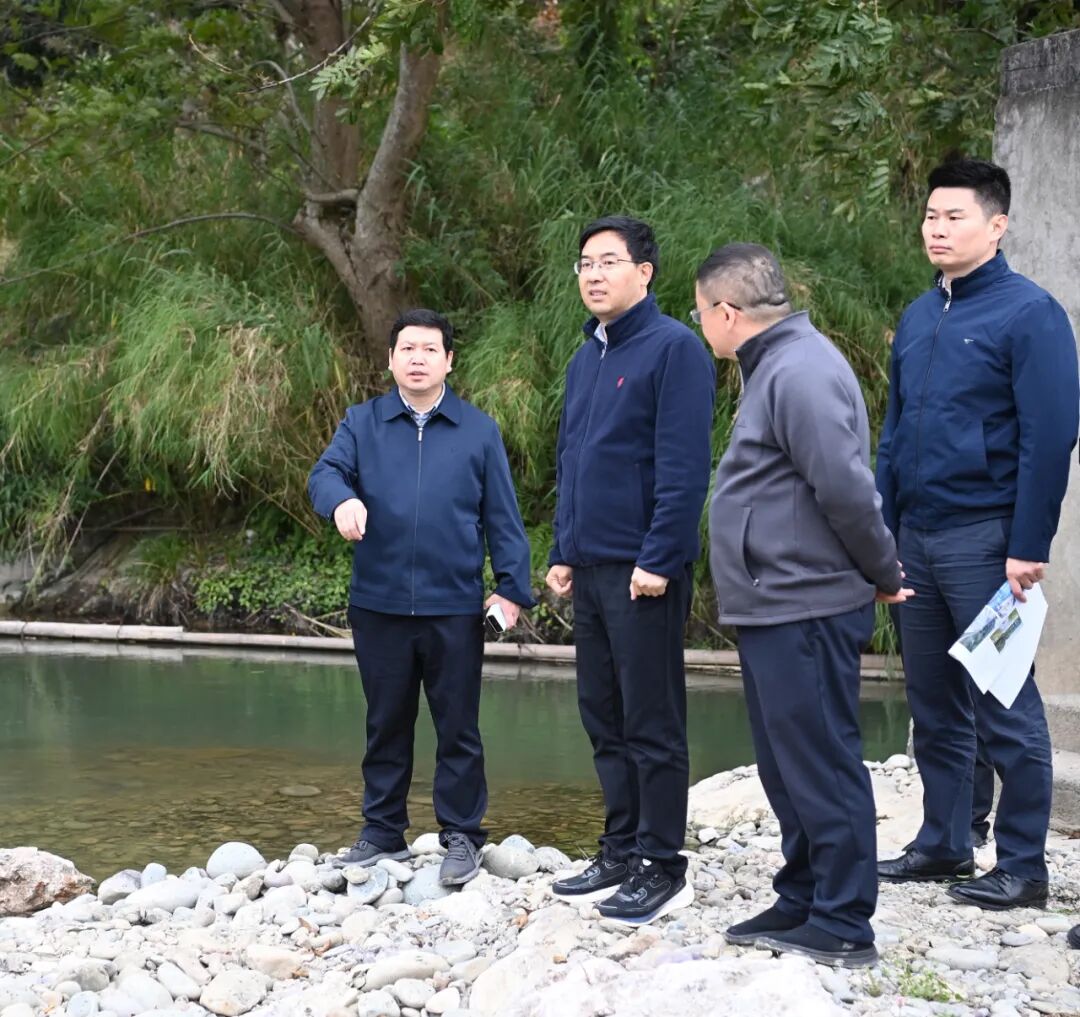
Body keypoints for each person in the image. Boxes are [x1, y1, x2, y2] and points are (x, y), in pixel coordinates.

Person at [876, 159, 1079, 909]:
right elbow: (893, 434)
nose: (937, 229)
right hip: (916, 539)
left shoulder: (1031, 314)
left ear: (997, 225)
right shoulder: (919, 315)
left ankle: (1023, 866)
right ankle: (946, 841)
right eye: (931, 216)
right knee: (933, 702)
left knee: (1005, 703)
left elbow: (1050, 437)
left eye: (954, 217)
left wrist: (1028, 544)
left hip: (986, 540)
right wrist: (881, 534)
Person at [699, 243, 909, 967]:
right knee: (785, 761)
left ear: (727, 313)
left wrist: (882, 568)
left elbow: (846, 487)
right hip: (774, 600)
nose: (703, 326)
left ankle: (844, 919)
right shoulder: (775, 365)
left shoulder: (801, 370)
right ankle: (804, 892)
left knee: (821, 759)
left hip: (805, 601)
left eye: (700, 314)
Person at [308, 308, 535, 886]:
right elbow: (324, 475)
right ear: (390, 359)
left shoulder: (478, 431)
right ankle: (383, 831)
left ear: (449, 361)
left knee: (458, 725)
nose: (417, 358)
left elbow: (503, 516)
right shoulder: (361, 423)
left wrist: (512, 588)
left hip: (453, 606)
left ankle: (462, 835)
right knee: (385, 721)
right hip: (378, 603)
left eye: (430, 349)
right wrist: (341, 501)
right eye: (407, 348)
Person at [545, 215, 716, 925]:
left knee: (652, 719)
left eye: (608, 261)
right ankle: (618, 847)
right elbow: (571, 459)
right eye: (585, 263)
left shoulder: (675, 349)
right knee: (603, 714)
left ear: (644, 272)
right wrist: (561, 549)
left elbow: (684, 467)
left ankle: (661, 862)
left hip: (644, 569)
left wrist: (660, 557)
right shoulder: (587, 355)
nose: (593, 274)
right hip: (590, 565)